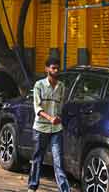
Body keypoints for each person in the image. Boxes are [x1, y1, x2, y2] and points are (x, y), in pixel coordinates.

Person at [27, 56, 70, 192]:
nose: (56, 70)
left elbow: (61, 107)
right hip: (40, 128)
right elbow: (37, 108)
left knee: (58, 161)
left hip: (56, 129)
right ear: (47, 69)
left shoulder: (61, 87)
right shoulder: (39, 85)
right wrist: (50, 118)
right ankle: (32, 186)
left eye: (57, 68)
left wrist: (58, 118)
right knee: (37, 158)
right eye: (53, 68)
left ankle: (64, 189)